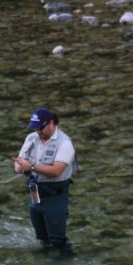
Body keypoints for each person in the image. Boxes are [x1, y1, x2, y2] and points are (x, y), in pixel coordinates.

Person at [13, 107, 77, 255]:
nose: (38, 131)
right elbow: (19, 161)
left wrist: (32, 166)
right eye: (35, 128)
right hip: (35, 194)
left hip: (55, 196)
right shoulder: (31, 139)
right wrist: (20, 167)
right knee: (42, 239)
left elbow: (56, 171)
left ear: (51, 123)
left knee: (57, 241)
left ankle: (64, 264)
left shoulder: (65, 143)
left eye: (41, 127)